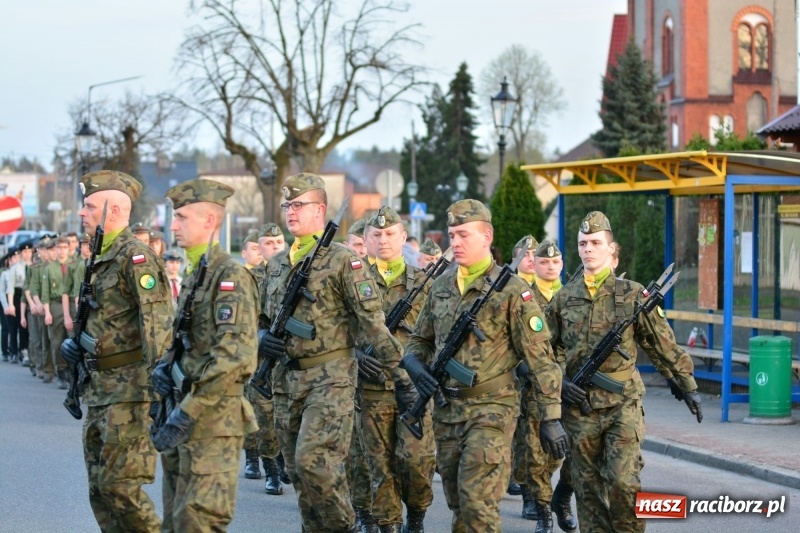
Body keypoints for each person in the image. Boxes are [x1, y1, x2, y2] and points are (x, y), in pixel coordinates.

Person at [260, 173, 414, 533]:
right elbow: (261, 318)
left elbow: (374, 324)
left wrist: (402, 378)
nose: (291, 212)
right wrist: (260, 335)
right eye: (287, 205)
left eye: (299, 205)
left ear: (320, 210)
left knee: (315, 463)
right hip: (286, 381)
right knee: (300, 475)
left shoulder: (344, 260)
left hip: (330, 380)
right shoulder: (277, 263)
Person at [401, 199, 567, 533]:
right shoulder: (441, 288)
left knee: (479, 507)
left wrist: (551, 417)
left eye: (463, 234)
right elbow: (419, 341)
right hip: (447, 412)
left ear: (487, 236)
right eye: (451, 234)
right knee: (460, 506)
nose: (455, 242)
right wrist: (416, 367)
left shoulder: (513, 293)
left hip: (492, 410)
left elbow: (541, 361)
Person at [546, 211, 702, 533]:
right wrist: (559, 381)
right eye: (583, 243)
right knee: (588, 492)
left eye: (596, 243)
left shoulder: (632, 294)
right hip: (581, 409)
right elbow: (543, 351)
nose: (588, 248)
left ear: (611, 251)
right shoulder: (563, 299)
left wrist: (686, 384)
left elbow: (661, 342)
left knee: (622, 484)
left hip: (622, 405)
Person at [59, 170, 173, 532]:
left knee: (120, 489)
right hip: (100, 389)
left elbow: (157, 326)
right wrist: (76, 346)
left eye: (89, 205)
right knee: (100, 490)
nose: (82, 212)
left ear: (113, 210)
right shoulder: (97, 258)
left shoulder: (135, 258)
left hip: (130, 393)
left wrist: (158, 393)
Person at [152, 178, 259, 531]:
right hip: (182, 412)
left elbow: (234, 356)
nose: (173, 225)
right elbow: (187, 339)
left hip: (213, 421)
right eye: (174, 217)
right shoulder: (197, 272)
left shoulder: (229, 276)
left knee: (197, 522)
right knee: (175, 523)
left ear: (209, 221)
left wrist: (188, 412)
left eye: (182, 217)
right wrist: (165, 368)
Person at [357, 206, 436, 533]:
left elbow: (439, 336)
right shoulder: (351, 277)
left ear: (403, 237)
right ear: (366, 239)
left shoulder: (424, 283)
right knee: (380, 469)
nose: (383, 240)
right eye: (376, 235)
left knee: (416, 465)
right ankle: (388, 525)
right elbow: (330, 331)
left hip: (413, 393)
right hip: (371, 392)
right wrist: (353, 356)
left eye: (390, 234)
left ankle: (416, 515)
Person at [514, 237, 577, 532]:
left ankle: (559, 496)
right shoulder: (523, 297)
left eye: (555, 262)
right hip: (534, 389)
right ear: (534, 265)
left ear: (561, 264)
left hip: (573, 388)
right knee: (536, 453)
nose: (550, 266)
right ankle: (542, 511)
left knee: (569, 453)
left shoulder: (572, 296)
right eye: (544, 262)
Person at [245, 222, 288, 495]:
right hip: (258, 358)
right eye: (268, 243)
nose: (274, 247)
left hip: (286, 358)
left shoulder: (296, 272)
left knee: (284, 416)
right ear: (258, 248)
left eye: (278, 243)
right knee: (263, 415)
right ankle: (271, 468)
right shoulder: (247, 279)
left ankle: (286, 461)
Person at [41, 235, 77, 389]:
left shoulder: (75, 265)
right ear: (55, 249)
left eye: (64, 247)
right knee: (56, 341)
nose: (62, 251)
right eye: (59, 247)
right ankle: (61, 373)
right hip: (56, 305)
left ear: (69, 248)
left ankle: (72, 373)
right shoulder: (50, 268)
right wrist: (47, 312)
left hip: (71, 303)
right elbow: (45, 292)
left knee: (73, 340)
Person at [6, 240, 32, 364]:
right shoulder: (15, 268)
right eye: (25, 252)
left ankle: (31, 350)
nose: (27, 254)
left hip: (32, 296)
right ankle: (23, 350)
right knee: (22, 325)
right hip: (18, 296)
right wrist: (10, 304)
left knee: (31, 326)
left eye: (29, 251)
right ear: (21, 253)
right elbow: (10, 287)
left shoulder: (35, 266)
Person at [0, 249, 18, 362]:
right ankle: (5, 350)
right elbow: (2, 291)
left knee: (16, 328)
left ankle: (15, 350)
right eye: (13, 259)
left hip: (17, 301)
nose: (16, 260)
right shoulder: (4, 272)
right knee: (6, 327)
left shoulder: (21, 270)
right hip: (5, 302)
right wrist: (6, 305)